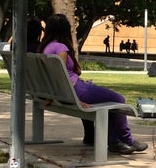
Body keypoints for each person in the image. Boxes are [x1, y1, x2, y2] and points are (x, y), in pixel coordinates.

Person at [38, 14, 147, 154]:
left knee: (107, 101)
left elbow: (53, 77)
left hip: (67, 91)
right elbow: (62, 78)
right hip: (77, 90)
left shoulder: (45, 48)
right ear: (65, 30)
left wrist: (50, 96)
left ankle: (115, 141)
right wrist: (75, 99)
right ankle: (126, 139)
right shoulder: (61, 48)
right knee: (118, 99)